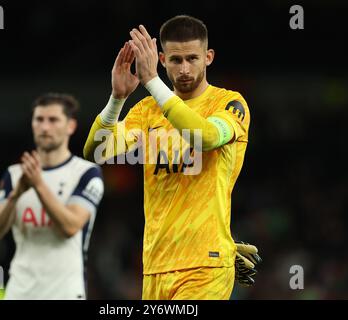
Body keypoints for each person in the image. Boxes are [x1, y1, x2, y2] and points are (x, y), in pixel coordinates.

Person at [84, 15, 253, 299]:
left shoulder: (229, 103)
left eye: (192, 58)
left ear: (208, 57)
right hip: (156, 266)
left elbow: (206, 137)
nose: (184, 68)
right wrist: (117, 99)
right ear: (162, 60)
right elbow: (97, 151)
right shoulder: (147, 110)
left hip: (206, 265)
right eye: (176, 60)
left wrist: (151, 81)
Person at [0, 93, 104, 299]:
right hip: (19, 291)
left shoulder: (86, 173)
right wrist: (16, 195)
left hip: (65, 291)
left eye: (53, 120)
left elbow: (70, 227)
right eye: (39, 119)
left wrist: (39, 185)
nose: (45, 127)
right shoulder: (15, 174)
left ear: (71, 126)